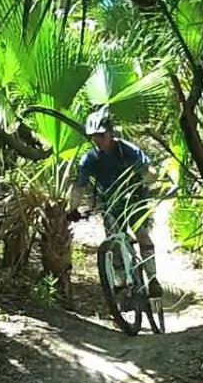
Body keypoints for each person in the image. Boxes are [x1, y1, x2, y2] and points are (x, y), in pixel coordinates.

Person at [69, 106, 162, 297]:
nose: (98, 140)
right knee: (113, 243)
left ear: (110, 132)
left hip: (134, 199)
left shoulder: (128, 150)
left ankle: (153, 279)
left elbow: (150, 171)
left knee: (142, 235)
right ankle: (122, 283)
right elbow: (79, 185)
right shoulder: (90, 159)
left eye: (101, 135)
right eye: (94, 136)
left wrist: (148, 177)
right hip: (109, 204)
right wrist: (73, 209)